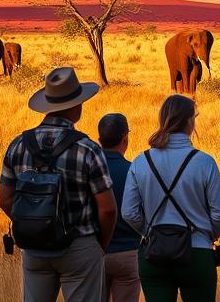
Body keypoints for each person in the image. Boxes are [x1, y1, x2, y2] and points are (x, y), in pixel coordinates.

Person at [0, 66, 118, 302]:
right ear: (75, 106)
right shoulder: (88, 149)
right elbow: (108, 208)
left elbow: (4, 199)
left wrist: (35, 224)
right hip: (79, 244)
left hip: (34, 249)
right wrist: (98, 246)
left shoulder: (18, 145)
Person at [122, 95, 220, 302]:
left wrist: (149, 231)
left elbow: (128, 212)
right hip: (197, 252)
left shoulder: (140, 162)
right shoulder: (205, 162)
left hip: (153, 253)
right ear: (190, 121)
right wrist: (207, 234)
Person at [98, 113, 141, 302]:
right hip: (128, 252)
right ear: (126, 139)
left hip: (94, 252)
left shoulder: (89, 170)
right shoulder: (134, 170)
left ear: (99, 141)